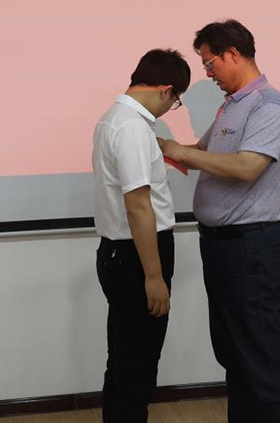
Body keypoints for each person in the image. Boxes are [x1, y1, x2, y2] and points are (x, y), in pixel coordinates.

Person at [160, 19, 280, 423]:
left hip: (251, 248)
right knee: (234, 355)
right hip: (222, 247)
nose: (207, 73)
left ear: (233, 54)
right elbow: (199, 152)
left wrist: (179, 151)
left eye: (210, 63)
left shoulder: (269, 105)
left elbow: (245, 167)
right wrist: (157, 145)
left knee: (260, 359)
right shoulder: (231, 105)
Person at [92, 48, 191, 423]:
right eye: (176, 100)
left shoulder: (113, 118)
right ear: (166, 90)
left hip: (119, 252)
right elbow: (138, 205)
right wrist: (153, 276)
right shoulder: (132, 127)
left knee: (123, 361)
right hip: (138, 255)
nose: (171, 108)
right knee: (137, 367)